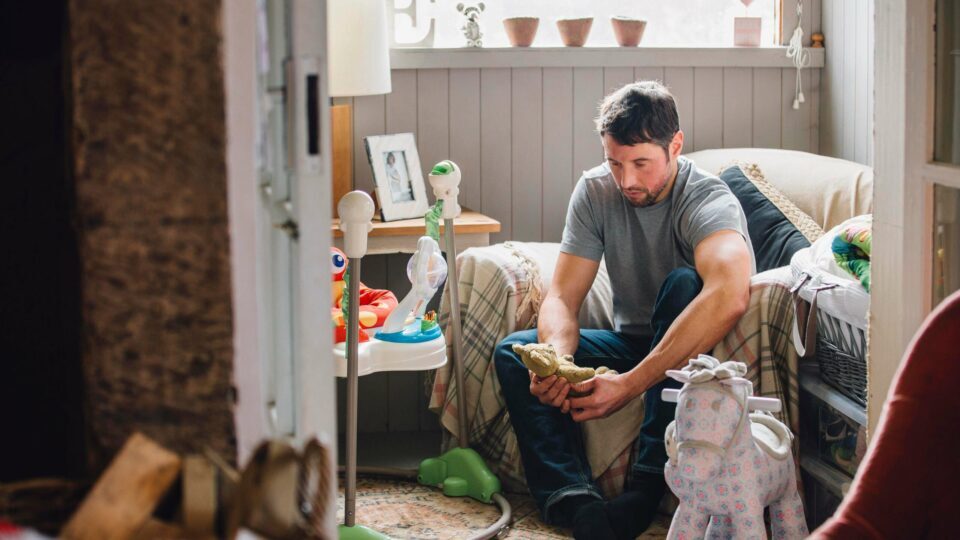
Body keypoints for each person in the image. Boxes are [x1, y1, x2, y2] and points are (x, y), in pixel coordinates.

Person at [493, 80, 755, 539]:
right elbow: (562, 297)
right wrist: (557, 360)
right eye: (615, 162)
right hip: (630, 341)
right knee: (514, 352)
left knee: (683, 284)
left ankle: (645, 489)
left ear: (676, 145)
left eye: (641, 163)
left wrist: (631, 385)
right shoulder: (595, 192)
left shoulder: (708, 199)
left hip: (693, 354)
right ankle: (573, 500)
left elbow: (730, 294)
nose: (627, 180)